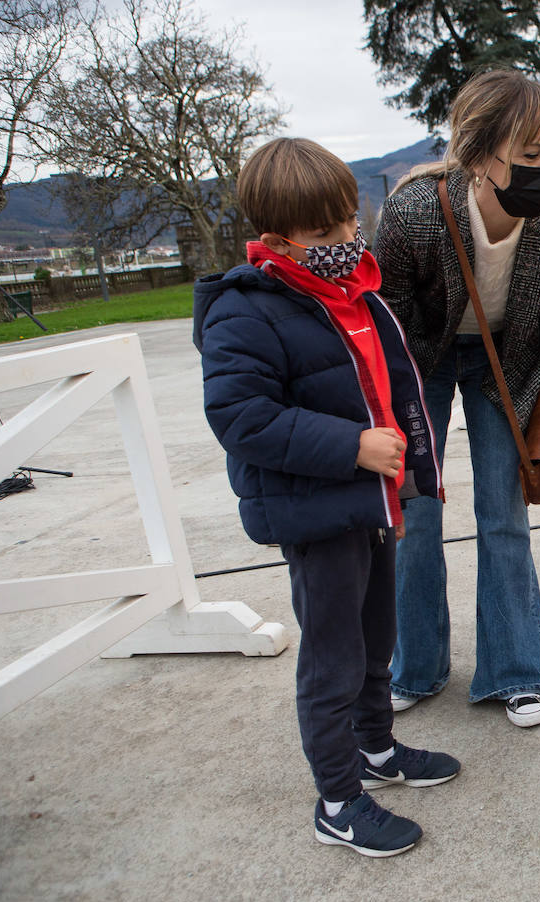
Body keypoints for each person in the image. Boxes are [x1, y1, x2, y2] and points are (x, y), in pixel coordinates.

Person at [194, 138, 461, 857]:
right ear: (278, 240)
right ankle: (339, 801)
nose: (347, 239)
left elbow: (389, 390)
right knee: (332, 658)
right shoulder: (245, 312)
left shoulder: (353, 296)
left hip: (369, 507)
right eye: (325, 232)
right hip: (317, 516)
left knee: (378, 640)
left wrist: (402, 487)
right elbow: (242, 419)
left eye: (349, 220)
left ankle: (377, 749)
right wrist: (353, 447)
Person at [374, 70, 540, 727]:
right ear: (479, 156)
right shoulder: (413, 212)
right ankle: (415, 667)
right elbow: (383, 330)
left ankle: (514, 671)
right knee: (413, 510)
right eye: (529, 154)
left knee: (502, 509)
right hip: (417, 358)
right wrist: (384, 423)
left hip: (504, 357)